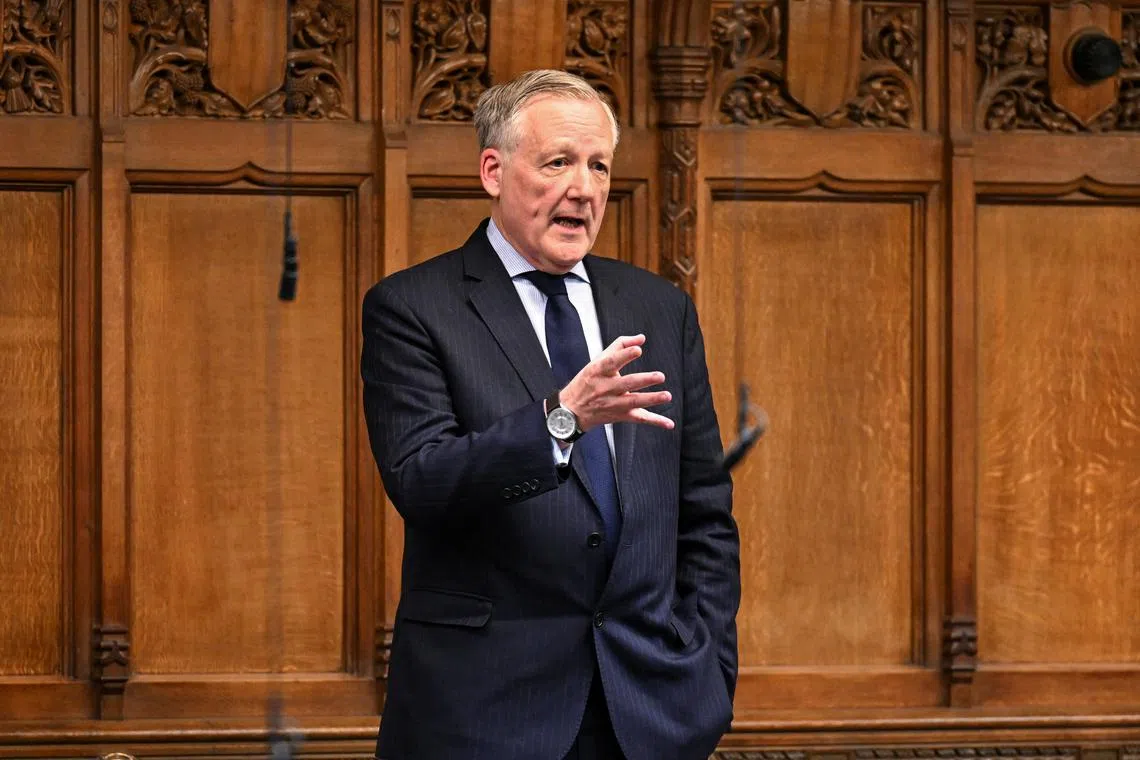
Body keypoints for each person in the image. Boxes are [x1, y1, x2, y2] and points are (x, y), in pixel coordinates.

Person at [361, 68, 740, 760]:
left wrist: (708, 673)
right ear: (493, 170)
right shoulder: (413, 309)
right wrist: (560, 421)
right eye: (559, 162)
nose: (585, 189)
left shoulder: (658, 308)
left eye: (599, 165)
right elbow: (422, 481)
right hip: (482, 718)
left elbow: (704, 511)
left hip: (646, 711)